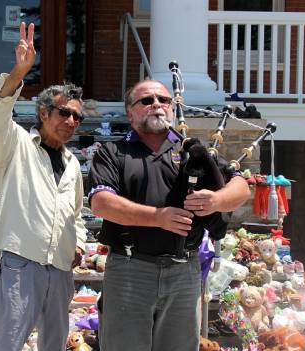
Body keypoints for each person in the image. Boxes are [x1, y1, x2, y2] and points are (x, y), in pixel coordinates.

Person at [88, 79, 251, 351]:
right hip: (131, 271)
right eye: (147, 100)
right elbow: (101, 204)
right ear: (130, 112)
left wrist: (216, 200)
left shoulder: (193, 152)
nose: (157, 105)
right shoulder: (114, 153)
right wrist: (158, 217)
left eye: (163, 100)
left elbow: (241, 187)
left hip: (183, 272)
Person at [0, 22, 87, 351]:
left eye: (77, 117)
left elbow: (77, 213)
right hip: (21, 263)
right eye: (64, 113)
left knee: (54, 345)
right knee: (9, 344)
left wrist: (80, 245)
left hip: (60, 267)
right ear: (43, 112)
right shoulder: (15, 144)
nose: (71, 121)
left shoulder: (72, 163)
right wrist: (19, 71)